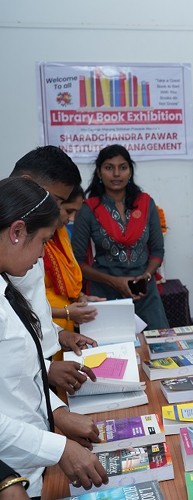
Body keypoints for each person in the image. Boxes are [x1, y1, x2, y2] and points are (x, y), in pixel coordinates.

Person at [0, 177, 108, 497]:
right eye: (44, 241)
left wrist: (57, 414)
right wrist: (59, 448)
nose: (44, 254)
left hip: (27, 468)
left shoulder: (7, 289)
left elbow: (23, 382)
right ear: (17, 231)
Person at [9, 146, 100, 397]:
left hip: (40, 368)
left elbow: (33, 308)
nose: (58, 211)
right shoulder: (12, 243)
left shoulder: (32, 234)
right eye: (57, 201)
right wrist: (45, 369)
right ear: (27, 183)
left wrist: (59, 335)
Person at [72, 144, 169, 330]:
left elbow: (157, 251)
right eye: (109, 167)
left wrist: (146, 276)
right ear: (99, 173)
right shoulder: (88, 209)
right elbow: (76, 263)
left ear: (130, 172)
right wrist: (114, 281)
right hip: (105, 294)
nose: (116, 174)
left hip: (144, 293)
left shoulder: (146, 203)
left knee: (158, 348)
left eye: (123, 167)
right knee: (111, 354)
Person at [43, 184, 99, 331]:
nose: (71, 219)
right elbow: (25, 303)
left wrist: (80, 297)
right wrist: (66, 312)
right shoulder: (33, 242)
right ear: (54, 204)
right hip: (46, 327)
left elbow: (66, 281)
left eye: (76, 213)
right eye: (69, 211)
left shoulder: (61, 235)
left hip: (63, 328)